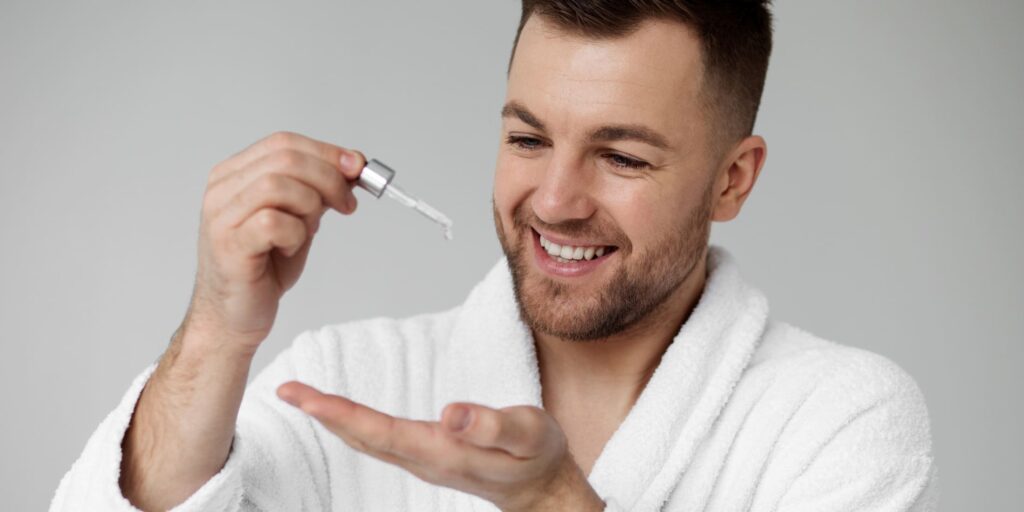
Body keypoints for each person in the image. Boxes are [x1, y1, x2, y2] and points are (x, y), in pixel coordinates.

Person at [50, 1, 939, 511]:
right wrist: (215, 331)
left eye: (622, 156)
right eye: (526, 138)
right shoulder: (348, 379)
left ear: (732, 181)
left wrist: (556, 501)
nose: (553, 200)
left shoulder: (836, 420)